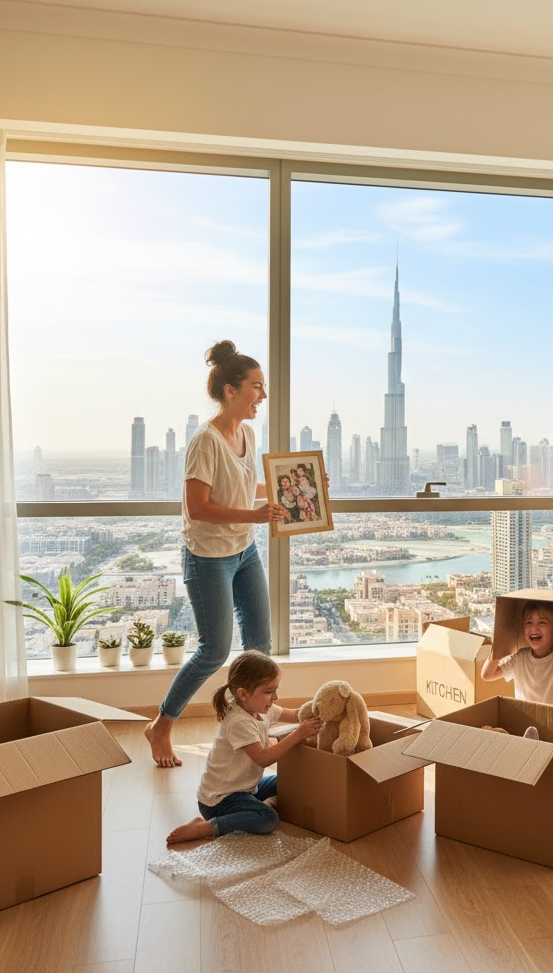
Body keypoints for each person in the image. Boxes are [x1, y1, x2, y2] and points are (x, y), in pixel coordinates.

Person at [145, 340, 286, 767]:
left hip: (244, 550)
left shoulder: (247, 433)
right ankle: (161, 725)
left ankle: (251, 728)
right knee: (214, 651)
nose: (263, 395)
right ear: (231, 390)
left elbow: (243, 486)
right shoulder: (205, 441)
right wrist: (254, 515)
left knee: (260, 646)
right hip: (207, 557)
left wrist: (300, 485)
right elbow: (198, 506)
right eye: (256, 387)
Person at [166, 651, 323, 844]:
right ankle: (205, 827)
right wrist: (298, 734)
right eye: (268, 691)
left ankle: (262, 803)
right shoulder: (238, 722)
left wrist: (320, 707)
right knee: (268, 819)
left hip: (247, 788)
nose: (275, 697)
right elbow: (263, 758)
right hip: (219, 800)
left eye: (275, 690)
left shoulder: (262, 708)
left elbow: (296, 714)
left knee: (289, 780)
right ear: (243, 694)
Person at [479, 601, 553, 708]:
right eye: (529, 622)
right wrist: (498, 642)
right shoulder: (519, 657)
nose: (534, 628)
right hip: (527, 717)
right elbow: (487, 675)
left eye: (542, 622)